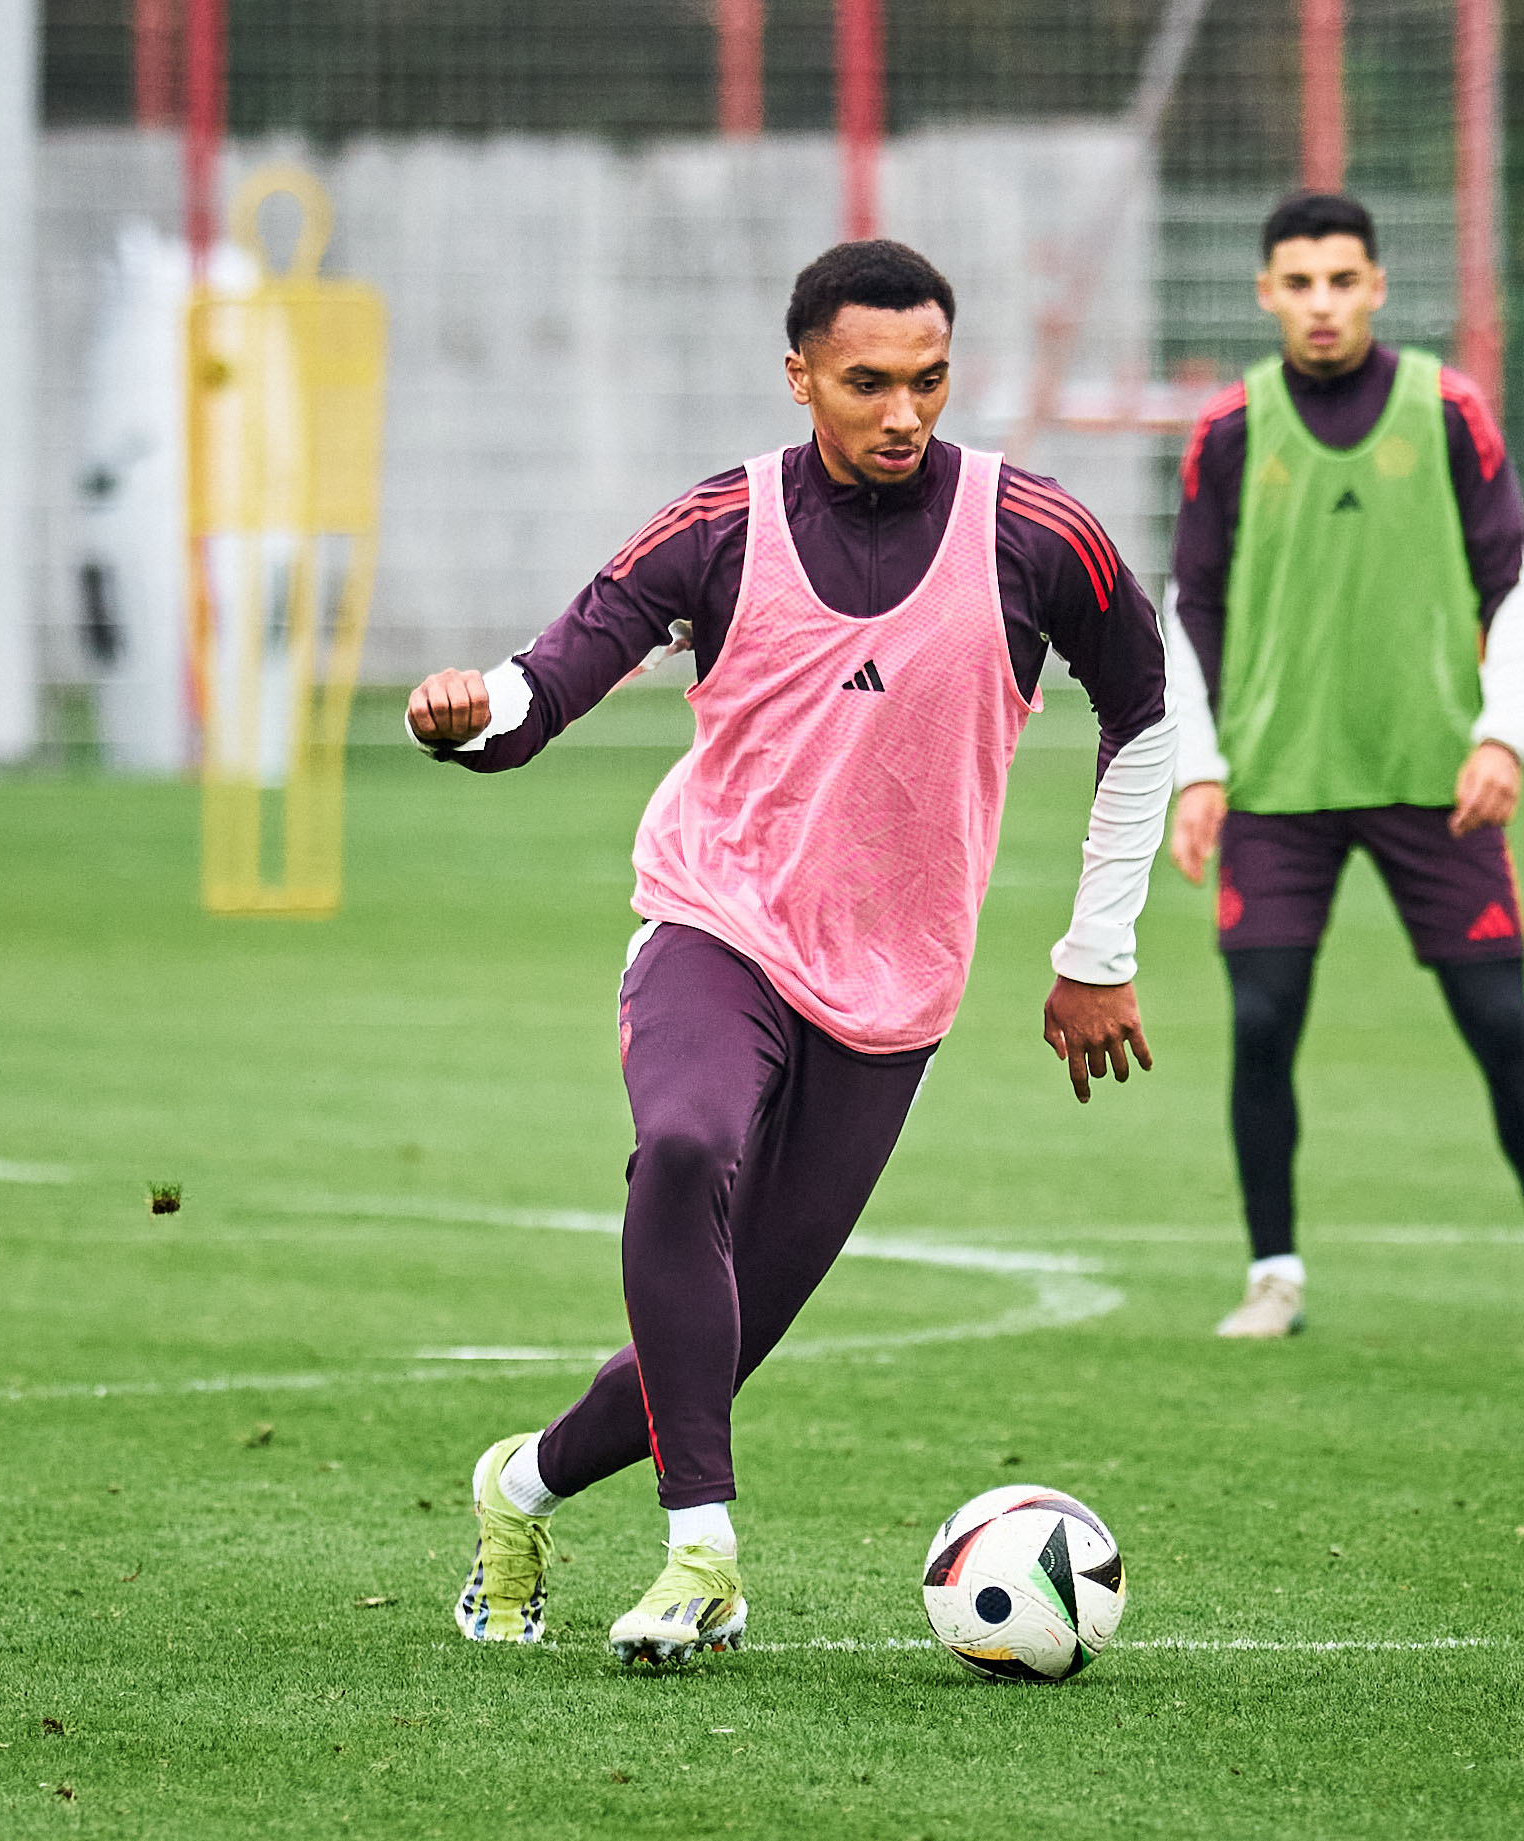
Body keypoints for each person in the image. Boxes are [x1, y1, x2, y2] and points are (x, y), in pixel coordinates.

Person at [409, 240, 1173, 1664]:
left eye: (929, 379)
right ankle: (704, 1559)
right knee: (685, 1146)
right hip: (717, 919)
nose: (903, 413)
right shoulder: (721, 522)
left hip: (892, 994)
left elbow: (1149, 711)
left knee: (715, 1343)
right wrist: (471, 717)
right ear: (800, 375)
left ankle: (515, 1487)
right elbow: (549, 676)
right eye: (867, 382)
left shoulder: (1034, 532)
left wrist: (1096, 946)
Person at [1166, 190, 1524, 1345]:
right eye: (1298, 282)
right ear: (1265, 293)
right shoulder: (1230, 429)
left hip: (1437, 775)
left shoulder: (1449, 410)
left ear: (1376, 287)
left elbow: (1510, 582)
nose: (1321, 303)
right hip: (1279, 780)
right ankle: (1272, 1273)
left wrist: (1500, 733)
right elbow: (1189, 606)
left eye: (1342, 281)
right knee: (1263, 1019)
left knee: (1501, 1022)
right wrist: (1198, 763)